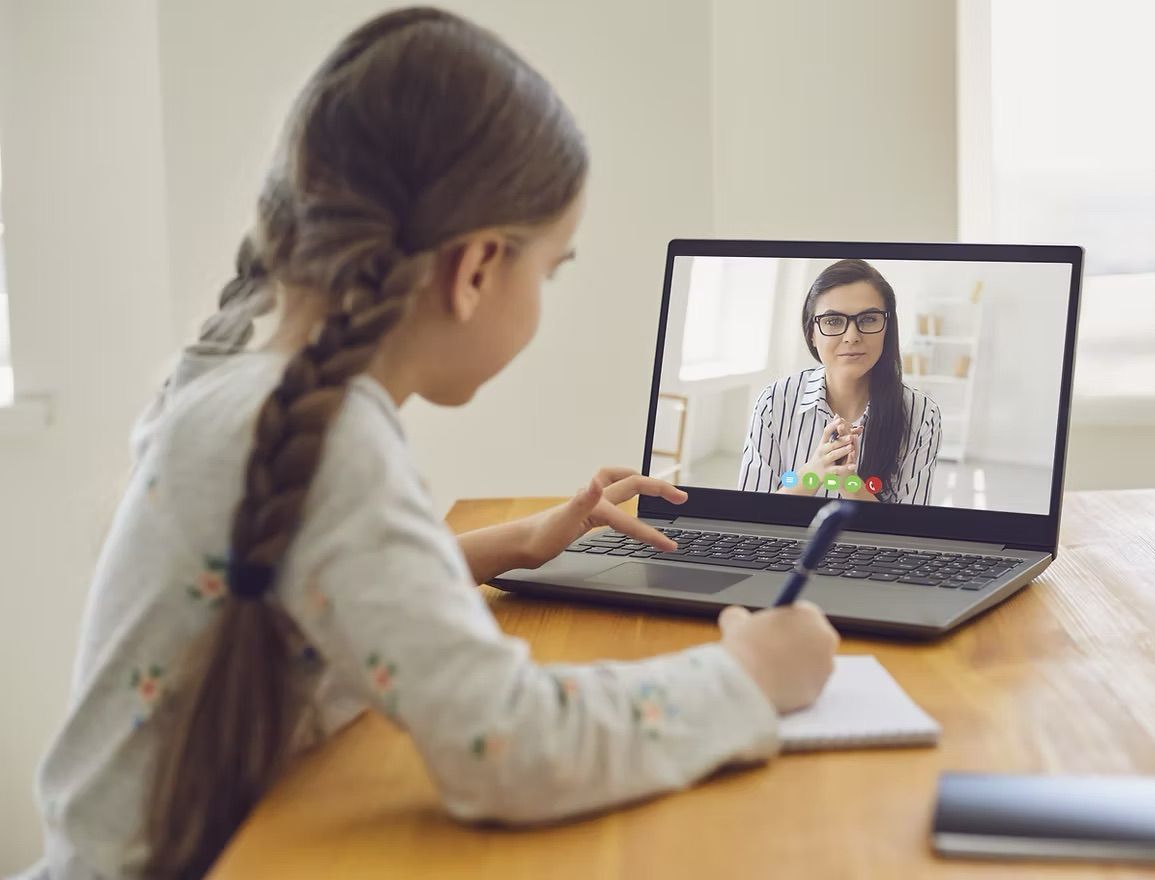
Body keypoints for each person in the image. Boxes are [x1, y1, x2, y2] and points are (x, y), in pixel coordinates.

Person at [22, 9, 838, 879]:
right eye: (550, 269)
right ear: (477, 268)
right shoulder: (335, 439)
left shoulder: (228, 372)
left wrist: (516, 544)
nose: (544, 295)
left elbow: (328, 586)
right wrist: (746, 676)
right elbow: (512, 747)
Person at [738, 259, 941, 504]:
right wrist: (814, 472)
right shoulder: (774, 401)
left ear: (887, 328)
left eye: (868, 319)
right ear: (812, 333)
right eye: (833, 321)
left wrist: (849, 483)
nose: (852, 336)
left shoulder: (921, 413)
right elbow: (752, 515)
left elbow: (909, 535)